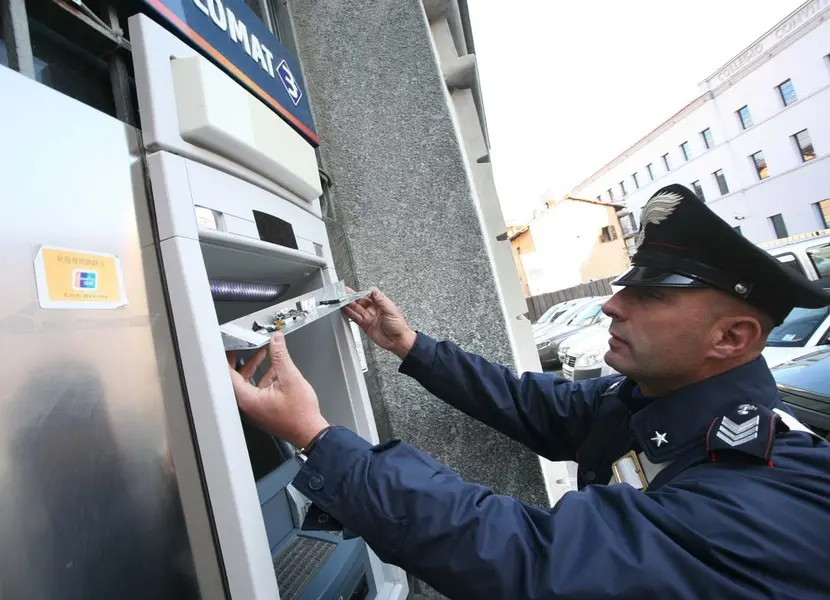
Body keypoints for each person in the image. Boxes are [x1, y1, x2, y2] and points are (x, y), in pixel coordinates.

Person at [228, 184, 830, 599]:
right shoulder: (652, 400)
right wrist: (411, 345)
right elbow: (529, 402)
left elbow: (540, 565)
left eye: (649, 296)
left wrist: (315, 436)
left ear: (731, 337)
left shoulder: (772, 486)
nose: (612, 305)